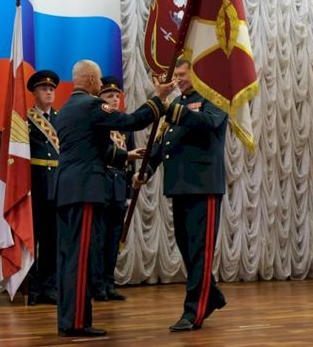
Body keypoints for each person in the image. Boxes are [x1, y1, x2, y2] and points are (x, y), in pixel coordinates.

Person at [54, 60, 175, 337]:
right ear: (90, 79)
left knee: (69, 256)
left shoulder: (66, 110)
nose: (100, 85)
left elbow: (92, 148)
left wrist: (126, 156)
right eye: (98, 80)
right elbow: (131, 122)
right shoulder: (91, 105)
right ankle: (77, 323)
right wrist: (158, 98)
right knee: (82, 257)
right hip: (85, 190)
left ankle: (68, 319)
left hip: (66, 189)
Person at [136, 59, 228, 332]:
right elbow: (163, 141)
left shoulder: (215, 98)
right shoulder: (177, 104)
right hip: (179, 186)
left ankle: (193, 313)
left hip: (203, 186)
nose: (178, 79)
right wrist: (147, 169)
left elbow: (208, 123)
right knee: (187, 249)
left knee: (200, 251)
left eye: (183, 74)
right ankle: (211, 295)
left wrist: (171, 109)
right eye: (176, 74)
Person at [90, 76, 143, 302]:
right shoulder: (97, 122)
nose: (114, 99)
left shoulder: (125, 127)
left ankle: (109, 282)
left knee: (114, 238)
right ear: (100, 98)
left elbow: (131, 162)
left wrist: (130, 192)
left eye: (116, 95)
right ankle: (97, 285)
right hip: (101, 184)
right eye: (109, 95)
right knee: (99, 238)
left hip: (119, 186)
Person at [25, 70, 60, 305]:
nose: (48, 92)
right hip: (34, 185)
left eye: (51, 89)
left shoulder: (61, 119)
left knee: (52, 239)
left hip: (56, 185)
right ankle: (32, 288)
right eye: (43, 88)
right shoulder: (25, 120)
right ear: (34, 93)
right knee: (32, 238)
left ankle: (50, 287)